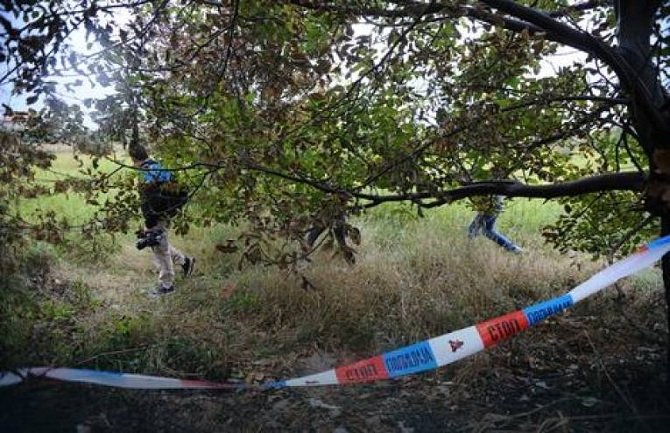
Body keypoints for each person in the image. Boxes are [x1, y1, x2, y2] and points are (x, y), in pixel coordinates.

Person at [129, 145, 195, 295]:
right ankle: (185, 261)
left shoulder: (146, 173)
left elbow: (150, 200)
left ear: (134, 158)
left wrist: (150, 221)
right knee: (160, 242)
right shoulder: (157, 166)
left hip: (157, 214)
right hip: (167, 211)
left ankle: (167, 285)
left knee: (160, 249)